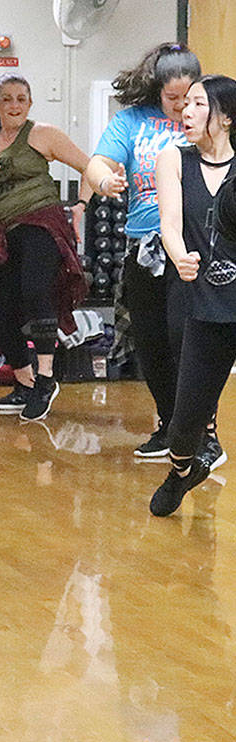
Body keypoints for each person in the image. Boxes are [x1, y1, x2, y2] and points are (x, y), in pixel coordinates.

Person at [0, 74, 124, 421]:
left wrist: (84, 201)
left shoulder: (43, 134)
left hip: (42, 223)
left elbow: (87, 163)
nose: (15, 105)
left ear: (29, 104)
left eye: (21, 99)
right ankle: (25, 383)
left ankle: (46, 380)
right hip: (4, 231)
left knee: (35, 293)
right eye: (7, 99)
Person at [82, 45, 217, 461]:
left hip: (194, 244)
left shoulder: (209, 120)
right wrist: (104, 183)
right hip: (143, 246)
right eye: (171, 98)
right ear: (156, 90)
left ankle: (203, 434)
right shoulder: (131, 122)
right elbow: (97, 163)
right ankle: (169, 425)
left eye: (188, 97)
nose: (180, 107)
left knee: (187, 339)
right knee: (151, 339)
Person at [150, 74, 236, 516]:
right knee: (184, 426)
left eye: (199, 104)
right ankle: (182, 470)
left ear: (224, 117)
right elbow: (169, 222)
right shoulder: (173, 158)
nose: (187, 111)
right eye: (186, 104)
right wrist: (180, 255)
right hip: (204, 305)